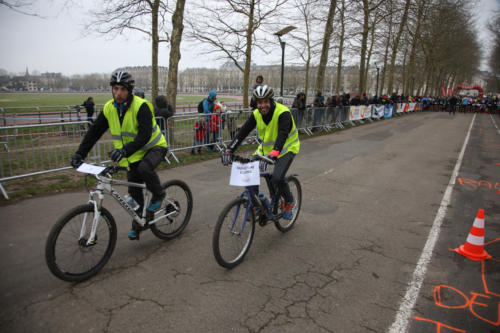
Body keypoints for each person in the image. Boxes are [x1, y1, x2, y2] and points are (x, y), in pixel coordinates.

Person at [70, 70, 168, 240]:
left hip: (154, 147)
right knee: (134, 193)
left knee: (145, 168)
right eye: (115, 89)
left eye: (122, 89)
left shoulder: (141, 106)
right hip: (132, 155)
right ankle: (139, 225)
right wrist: (79, 154)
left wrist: (124, 150)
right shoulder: (109, 108)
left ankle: (159, 194)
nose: (118, 93)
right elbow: (94, 133)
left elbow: (144, 136)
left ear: (129, 90)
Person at [221, 85, 300, 220]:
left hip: (287, 148)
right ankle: (255, 205)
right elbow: (242, 133)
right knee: (249, 172)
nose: (262, 105)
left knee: (277, 178)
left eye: (265, 102)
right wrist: (229, 150)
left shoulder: (283, 113)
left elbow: (282, 135)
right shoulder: (256, 114)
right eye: (259, 102)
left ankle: (289, 201)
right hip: (266, 150)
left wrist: (274, 155)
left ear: (271, 101)